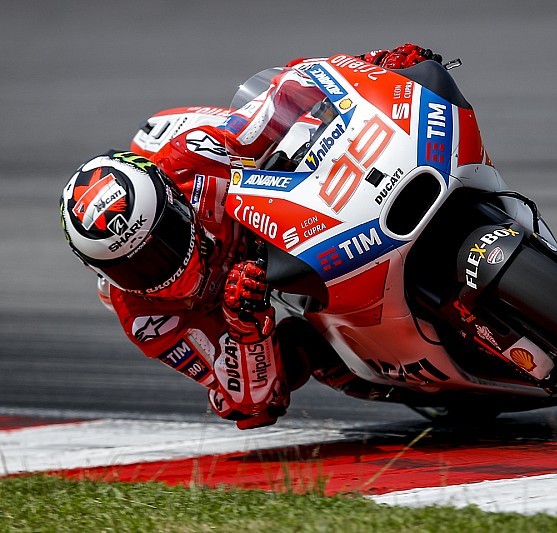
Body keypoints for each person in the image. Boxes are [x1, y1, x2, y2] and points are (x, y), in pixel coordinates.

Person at [59, 44, 442, 430]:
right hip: (262, 293)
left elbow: (284, 94)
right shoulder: (146, 319)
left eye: (165, 241)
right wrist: (245, 324)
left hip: (287, 211)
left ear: (174, 202)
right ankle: (433, 392)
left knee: (316, 128)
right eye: (136, 269)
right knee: (298, 357)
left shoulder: (193, 159)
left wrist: (374, 65)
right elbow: (246, 402)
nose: (162, 268)